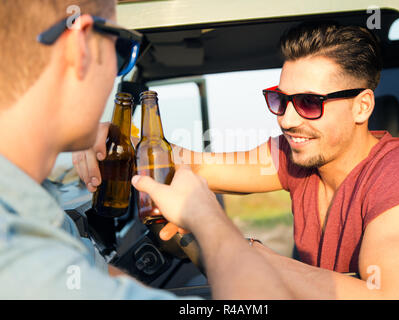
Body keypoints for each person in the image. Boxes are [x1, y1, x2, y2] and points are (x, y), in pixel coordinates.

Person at [76, 23, 399, 299]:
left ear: (362, 106)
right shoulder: (297, 157)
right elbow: (191, 163)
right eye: (280, 100)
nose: (286, 119)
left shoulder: (396, 175)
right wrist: (113, 132)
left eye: (309, 103)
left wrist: (244, 251)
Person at [0, 0, 293, 299]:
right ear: (81, 50)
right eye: (122, 51)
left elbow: (94, 275)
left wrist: (136, 148)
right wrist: (209, 220)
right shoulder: (28, 263)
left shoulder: (41, 218)